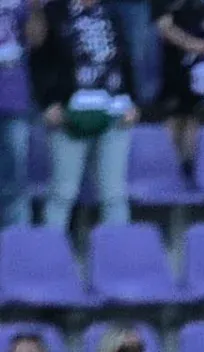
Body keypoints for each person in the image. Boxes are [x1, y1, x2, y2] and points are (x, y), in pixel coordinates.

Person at [28, 0, 137, 231]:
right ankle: (51, 250)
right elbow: (38, 59)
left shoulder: (112, 12)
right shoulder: (54, 12)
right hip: (68, 114)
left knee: (114, 193)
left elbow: (125, 57)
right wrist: (47, 104)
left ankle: (118, 249)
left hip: (114, 111)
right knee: (63, 192)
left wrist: (132, 100)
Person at [152, 0, 204, 188]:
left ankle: (189, 164)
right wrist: (193, 44)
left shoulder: (196, 5)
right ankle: (174, 163)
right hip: (173, 71)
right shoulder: (163, 5)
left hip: (196, 73)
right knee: (174, 117)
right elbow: (166, 30)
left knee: (191, 117)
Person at [0, 0, 44, 228]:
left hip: (14, 98)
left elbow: (36, 39)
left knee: (15, 178)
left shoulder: (19, 3)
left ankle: (16, 239)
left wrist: (34, 8)